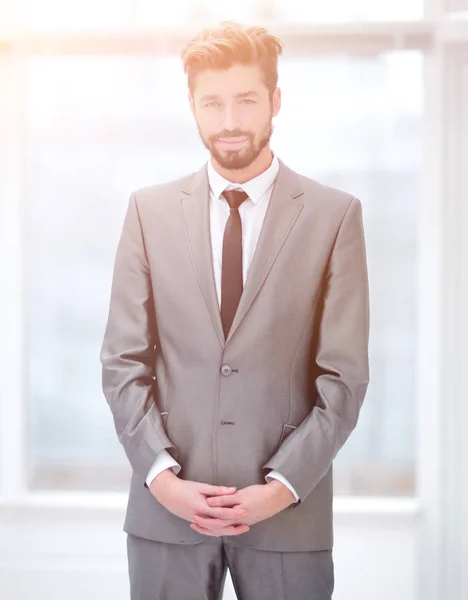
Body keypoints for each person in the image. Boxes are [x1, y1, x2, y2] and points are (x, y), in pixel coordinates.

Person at [100, 20, 370, 600]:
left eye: (246, 100)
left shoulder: (334, 216)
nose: (229, 122)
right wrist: (161, 478)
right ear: (192, 107)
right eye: (212, 103)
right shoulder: (147, 213)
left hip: (286, 518)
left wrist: (281, 487)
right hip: (166, 514)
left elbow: (344, 379)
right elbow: (122, 361)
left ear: (275, 100)